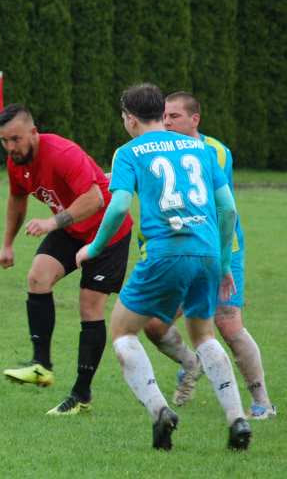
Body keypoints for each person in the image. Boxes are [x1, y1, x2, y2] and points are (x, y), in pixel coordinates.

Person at [76, 83, 251, 451]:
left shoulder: (128, 152)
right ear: (160, 112)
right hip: (205, 252)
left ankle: (160, 412)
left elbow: (121, 205)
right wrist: (221, 262)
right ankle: (237, 419)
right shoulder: (200, 148)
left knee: (123, 331)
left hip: (164, 252)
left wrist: (93, 246)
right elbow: (229, 209)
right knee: (204, 335)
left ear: (129, 118)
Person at [140, 92, 275, 418]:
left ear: (195, 119)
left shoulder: (212, 151)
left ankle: (262, 403)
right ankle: (191, 362)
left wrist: (224, 261)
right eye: (165, 117)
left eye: (174, 116)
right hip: (182, 248)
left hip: (221, 247)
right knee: (154, 325)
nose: (167, 122)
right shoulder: (160, 149)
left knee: (227, 323)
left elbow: (223, 209)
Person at [0, 104, 133, 415]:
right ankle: (41, 365)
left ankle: (81, 396)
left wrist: (52, 223)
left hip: (107, 232)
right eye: (4, 141)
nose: (10, 147)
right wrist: (7, 244)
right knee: (37, 277)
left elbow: (96, 198)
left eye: (15, 139)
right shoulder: (16, 162)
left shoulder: (61, 152)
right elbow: (17, 200)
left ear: (33, 132)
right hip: (71, 229)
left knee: (89, 306)